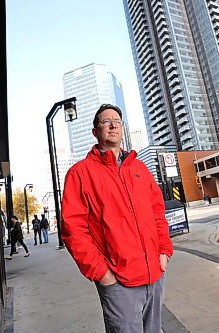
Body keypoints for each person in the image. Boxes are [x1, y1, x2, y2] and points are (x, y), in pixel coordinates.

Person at [62, 103, 173, 333]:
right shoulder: (80, 173)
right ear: (95, 131)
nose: (112, 125)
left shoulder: (140, 168)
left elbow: (157, 214)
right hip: (118, 281)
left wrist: (164, 251)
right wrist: (102, 273)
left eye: (117, 121)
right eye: (105, 121)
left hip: (154, 274)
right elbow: (74, 230)